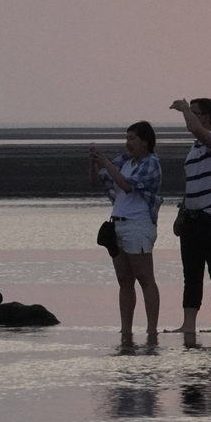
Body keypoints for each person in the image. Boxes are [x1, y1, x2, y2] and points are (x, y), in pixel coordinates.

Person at [88, 122, 163, 348]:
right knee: (124, 281)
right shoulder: (124, 161)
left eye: (132, 138)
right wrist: (95, 163)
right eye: (127, 138)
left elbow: (128, 186)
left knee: (145, 278)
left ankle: (151, 330)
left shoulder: (151, 163)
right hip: (118, 224)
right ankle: (126, 330)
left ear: (145, 142)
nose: (127, 142)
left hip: (138, 224)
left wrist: (106, 163)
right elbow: (96, 181)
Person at [166, 97, 211, 345]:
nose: (189, 116)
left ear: (206, 116)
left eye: (195, 112)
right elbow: (192, 185)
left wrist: (184, 108)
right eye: (190, 112)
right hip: (192, 219)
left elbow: (195, 129)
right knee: (191, 274)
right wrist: (181, 213)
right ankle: (188, 324)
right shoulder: (194, 149)